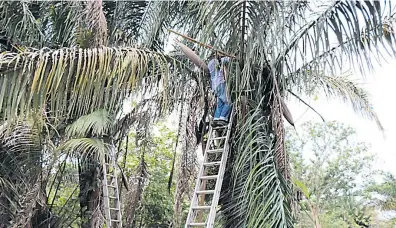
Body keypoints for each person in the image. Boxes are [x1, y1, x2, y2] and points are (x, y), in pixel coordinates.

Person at [207, 51, 232, 127]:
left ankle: (216, 118)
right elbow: (228, 60)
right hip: (220, 84)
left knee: (220, 102)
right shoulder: (216, 61)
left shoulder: (210, 64)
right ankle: (222, 118)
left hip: (214, 87)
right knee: (228, 102)